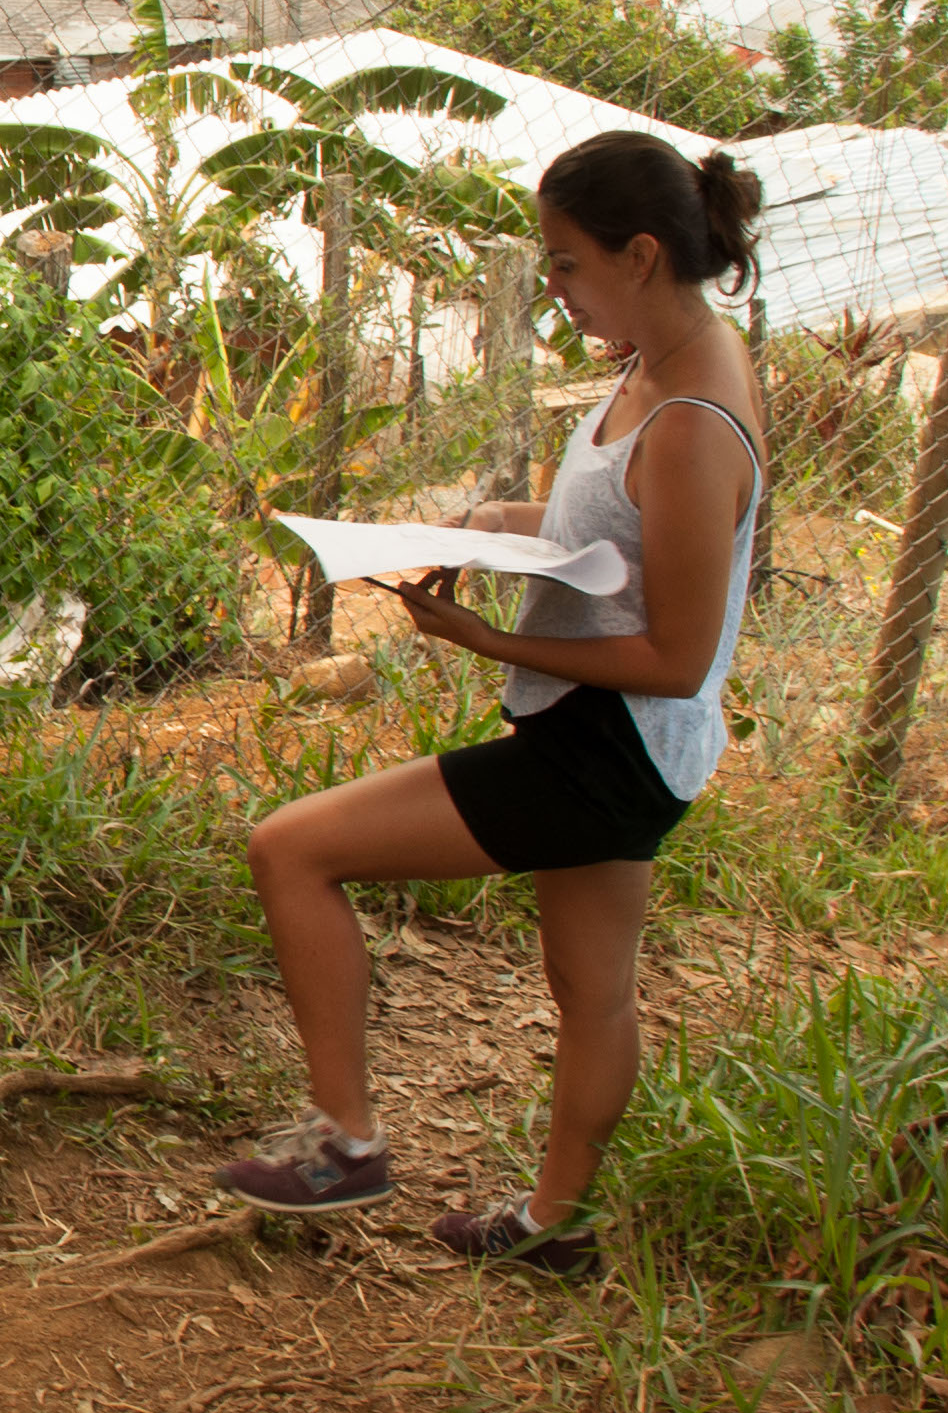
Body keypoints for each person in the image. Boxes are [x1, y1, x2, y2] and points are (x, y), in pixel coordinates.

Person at [215, 131, 767, 1276]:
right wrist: (487, 524)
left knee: (291, 850)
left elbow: (675, 652)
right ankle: (555, 1228)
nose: (553, 288)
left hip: (607, 748)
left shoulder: (691, 421)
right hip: (623, 746)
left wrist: (485, 637)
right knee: (591, 991)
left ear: (642, 252)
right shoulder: (657, 357)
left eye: (565, 264)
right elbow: (605, 539)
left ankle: (344, 1143)